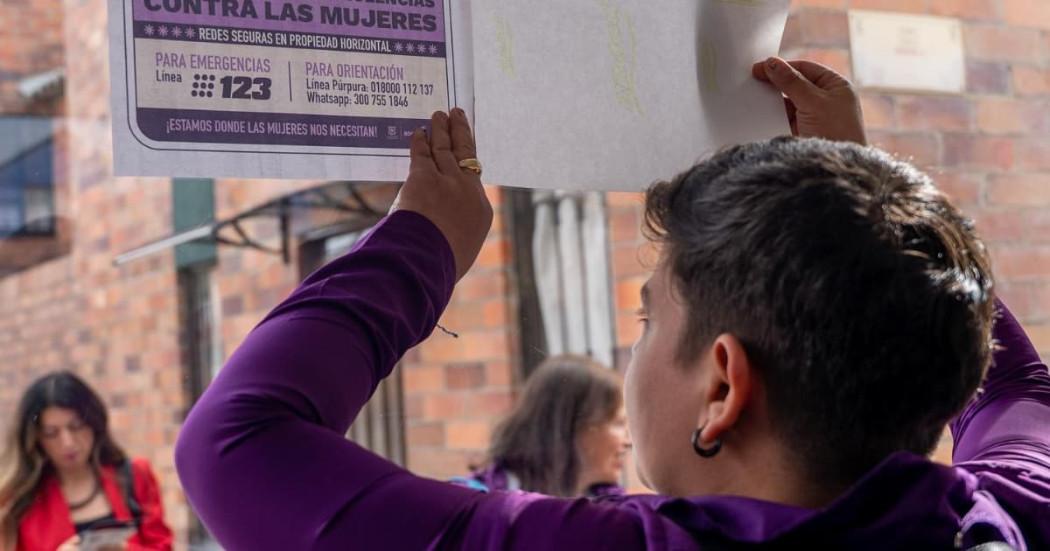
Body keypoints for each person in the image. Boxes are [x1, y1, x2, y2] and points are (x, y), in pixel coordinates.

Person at [175, 57, 1050, 549]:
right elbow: (1016, 395)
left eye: (648, 317)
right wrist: (856, 194)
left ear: (723, 387)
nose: (633, 345)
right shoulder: (1006, 519)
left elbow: (234, 445)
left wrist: (422, 240)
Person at [0, 372, 173, 551]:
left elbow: (164, 546)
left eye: (76, 427)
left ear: (93, 423)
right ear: (35, 438)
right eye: (51, 433)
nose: (68, 442)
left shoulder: (134, 475)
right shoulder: (17, 500)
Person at [455, 355, 628, 498]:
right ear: (572, 427)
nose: (628, 442)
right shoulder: (477, 505)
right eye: (618, 423)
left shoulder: (614, 511)